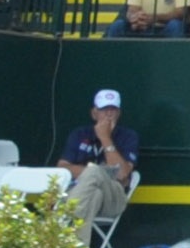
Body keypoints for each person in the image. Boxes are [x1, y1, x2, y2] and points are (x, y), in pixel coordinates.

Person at [59, 88, 138, 235]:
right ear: (94, 113)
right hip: (86, 195)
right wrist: (99, 173)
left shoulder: (128, 136)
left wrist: (105, 138)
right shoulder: (79, 134)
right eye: (104, 109)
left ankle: (61, 215)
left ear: (119, 113)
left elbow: (121, 175)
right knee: (94, 195)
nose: (109, 114)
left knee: (94, 171)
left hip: (113, 198)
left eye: (113, 109)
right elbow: (62, 168)